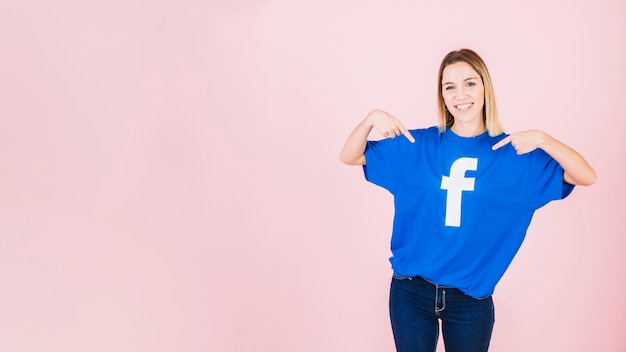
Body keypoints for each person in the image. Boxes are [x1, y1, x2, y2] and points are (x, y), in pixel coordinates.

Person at [338, 48, 596, 352]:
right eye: (450, 87)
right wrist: (370, 118)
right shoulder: (415, 145)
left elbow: (585, 175)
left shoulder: (514, 156)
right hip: (410, 291)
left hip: (471, 300)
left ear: (485, 87)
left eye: (470, 83)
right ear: (443, 96)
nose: (461, 94)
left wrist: (542, 138)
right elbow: (350, 156)